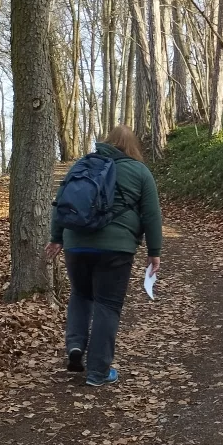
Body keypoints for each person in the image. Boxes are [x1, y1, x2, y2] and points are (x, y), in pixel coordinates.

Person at [44, 125, 162, 387]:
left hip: (76, 244)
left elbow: (61, 201)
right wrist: (154, 252)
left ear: (108, 142)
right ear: (132, 147)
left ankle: (75, 347)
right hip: (115, 248)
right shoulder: (139, 171)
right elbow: (152, 215)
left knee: (80, 295)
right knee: (107, 306)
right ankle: (98, 372)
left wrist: (57, 237)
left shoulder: (83, 165)